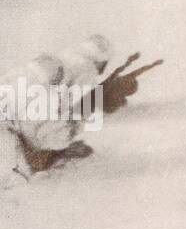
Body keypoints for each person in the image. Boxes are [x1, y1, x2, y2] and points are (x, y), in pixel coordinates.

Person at [0, 36, 113, 188]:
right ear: (102, 61)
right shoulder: (88, 70)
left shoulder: (63, 55)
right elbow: (78, 112)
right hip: (31, 114)